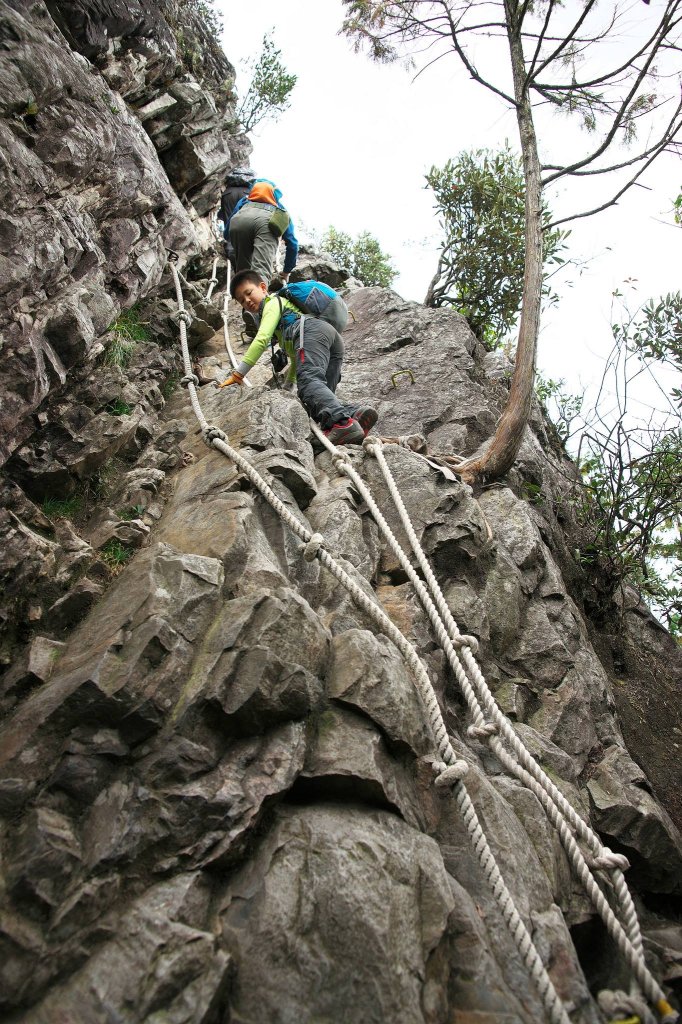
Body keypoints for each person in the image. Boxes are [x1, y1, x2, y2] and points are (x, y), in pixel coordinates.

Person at [218, 270, 378, 446]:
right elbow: (296, 359)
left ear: (263, 288)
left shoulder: (273, 303)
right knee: (320, 395)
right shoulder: (286, 318)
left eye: (248, 293)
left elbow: (262, 339)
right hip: (332, 339)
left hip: (311, 331)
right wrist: (288, 388)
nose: (247, 301)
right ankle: (356, 414)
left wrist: (238, 374)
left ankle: (342, 425)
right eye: (241, 300)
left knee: (309, 382)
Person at [228, 178, 298, 285]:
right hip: (266, 223)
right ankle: (259, 299)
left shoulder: (244, 201)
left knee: (243, 272)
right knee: (260, 271)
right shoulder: (279, 208)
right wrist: (286, 271)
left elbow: (228, 229)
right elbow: (292, 243)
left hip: (238, 222)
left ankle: (244, 295)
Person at [219, 168, 255, 269]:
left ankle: (231, 251)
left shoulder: (229, 187)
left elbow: (224, 213)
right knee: (245, 221)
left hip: (228, 193)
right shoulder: (249, 185)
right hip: (246, 192)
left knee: (230, 219)